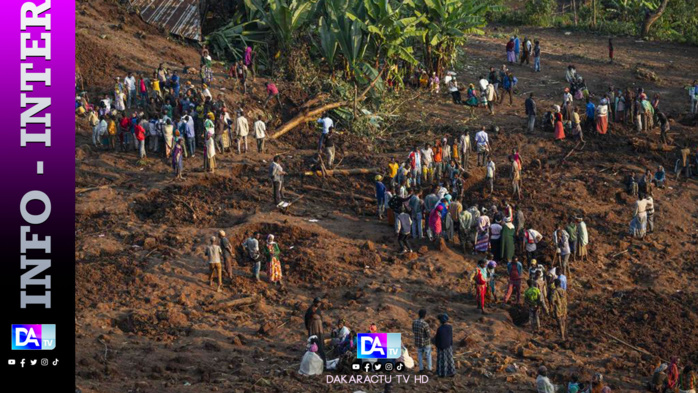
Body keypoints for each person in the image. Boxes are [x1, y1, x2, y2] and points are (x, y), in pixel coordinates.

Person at [412, 309, 432, 373]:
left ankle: (421, 369)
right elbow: (428, 335)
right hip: (426, 342)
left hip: (418, 342)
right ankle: (429, 368)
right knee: (428, 355)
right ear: (425, 315)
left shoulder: (414, 322)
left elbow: (413, 331)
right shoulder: (425, 324)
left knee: (420, 355)